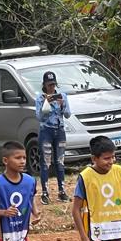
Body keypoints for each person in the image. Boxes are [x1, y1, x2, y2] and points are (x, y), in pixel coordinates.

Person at [38, 71, 73, 204]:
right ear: (45, 85)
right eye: (49, 85)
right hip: (46, 130)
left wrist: (62, 104)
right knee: (46, 162)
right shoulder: (40, 98)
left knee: (60, 161)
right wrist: (46, 103)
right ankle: (45, 192)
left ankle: (62, 191)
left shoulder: (62, 96)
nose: (52, 87)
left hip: (59, 130)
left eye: (53, 84)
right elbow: (40, 117)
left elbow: (68, 114)